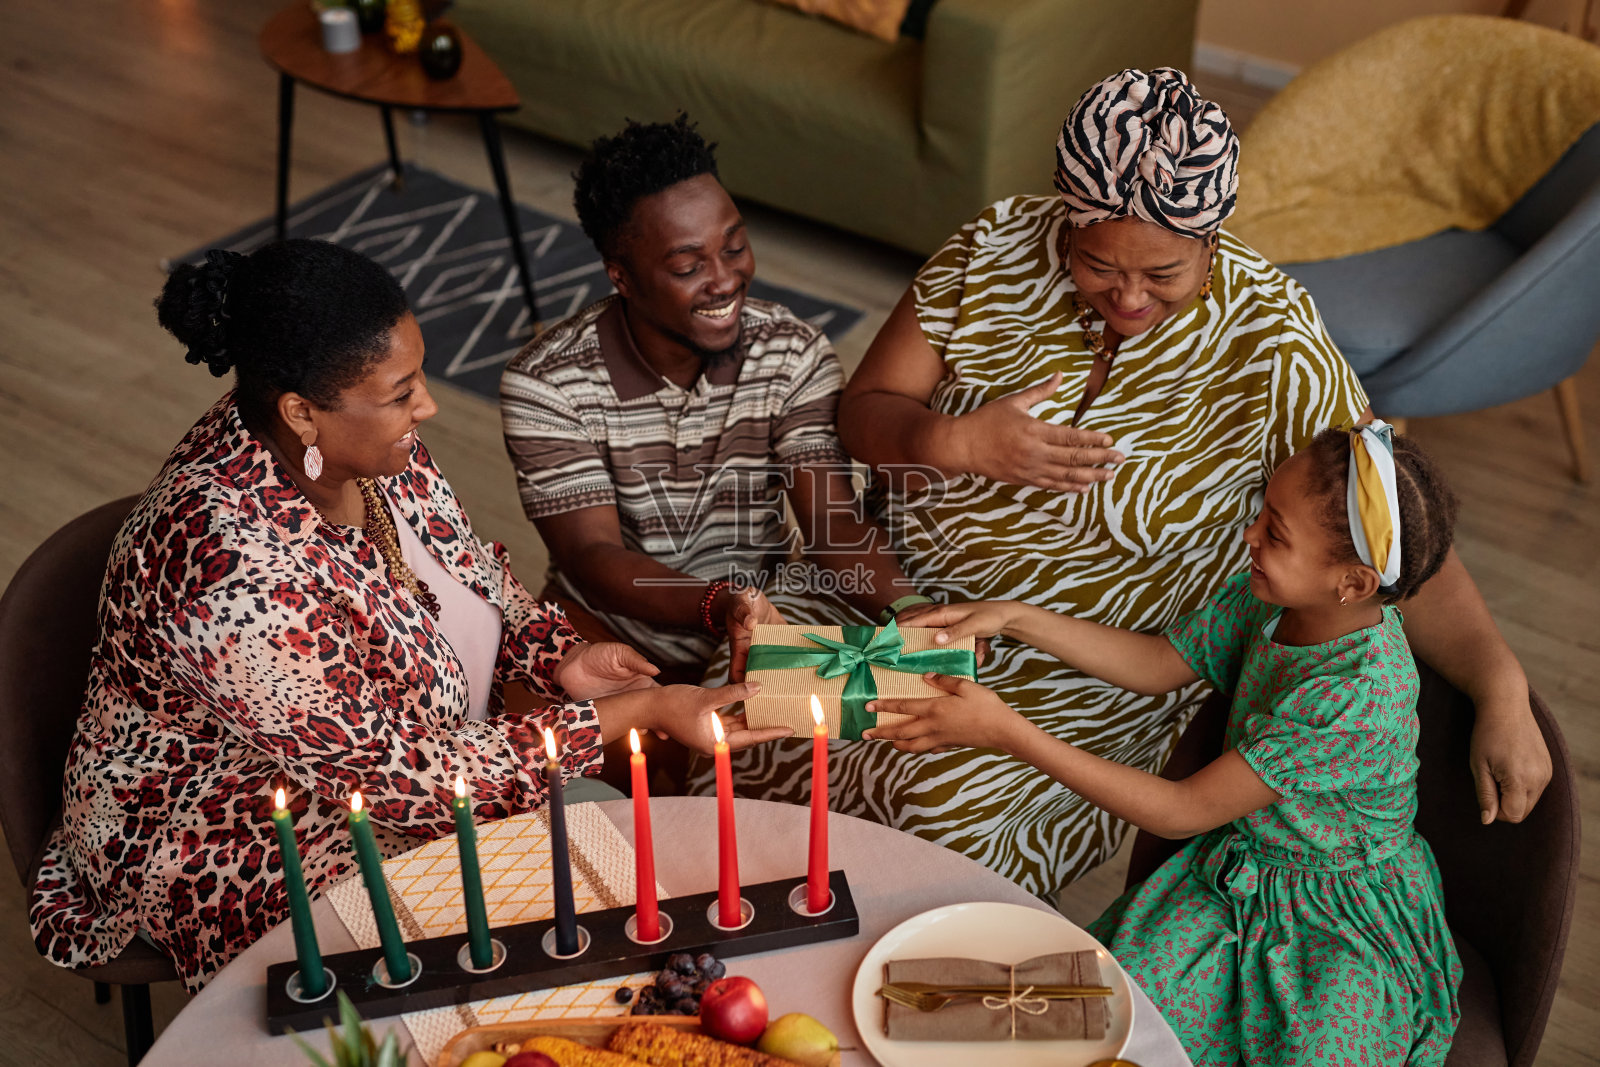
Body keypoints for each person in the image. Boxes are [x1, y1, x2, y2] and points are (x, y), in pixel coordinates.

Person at [718, 67, 1551, 899]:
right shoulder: (995, 249)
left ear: (1212, 242)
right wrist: (956, 440)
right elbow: (864, 411)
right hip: (894, 603)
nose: (1128, 296)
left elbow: (1383, 533)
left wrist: (1498, 680)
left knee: (928, 808)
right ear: (1065, 221)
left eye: (1162, 274)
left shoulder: (1275, 344)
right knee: (739, 717)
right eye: (1097, 264)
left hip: (1084, 680)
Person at [28, 241, 782, 991]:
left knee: (589, 893)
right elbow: (401, 775)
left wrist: (553, 655)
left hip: (393, 760)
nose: (427, 405)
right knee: (502, 954)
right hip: (227, 826)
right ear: (302, 412)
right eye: (401, 392)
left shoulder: (366, 446)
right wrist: (637, 711)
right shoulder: (222, 568)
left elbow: (473, 575)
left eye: (417, 378)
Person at [868, 425, 1463, 1065]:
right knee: (1106, 1016)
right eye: (1264, 512)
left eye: (1277, 533)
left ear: (1352, 583)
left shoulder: (1357, 695)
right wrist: (1015, 616)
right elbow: (1155, 663)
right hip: (1240, 874)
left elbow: (1181, 811)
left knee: (1312, 1047)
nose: (1250, 536)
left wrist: (1006, 731)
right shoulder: (1266, 599)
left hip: (1335, 915)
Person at [499, 115, 931, 686]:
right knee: (559, 769)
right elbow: (593, 557)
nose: (725, 280)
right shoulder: (545, 385)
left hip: (759, 627)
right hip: (601, 631)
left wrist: (911, 613)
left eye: (735, 247)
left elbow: (833, 524)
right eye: (687, 266)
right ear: (621, 277)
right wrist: (718, 604)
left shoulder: (792, 354)